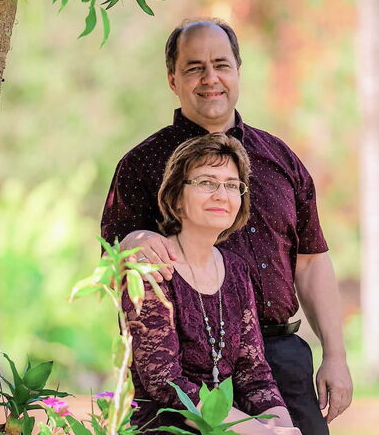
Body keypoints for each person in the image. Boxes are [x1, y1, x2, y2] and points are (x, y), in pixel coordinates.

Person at [101, 18, 352, 435]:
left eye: (221, 64)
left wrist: (336, 356)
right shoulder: (142, 164)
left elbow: (311, 261)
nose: (210, 78)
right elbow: (113, 262)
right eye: (194, 67)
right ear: (172, 79)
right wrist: (133, 240)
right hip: (185, 371)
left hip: (277, 360)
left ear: (238, 71)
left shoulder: (280, 158)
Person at [122, 132, 301, 434]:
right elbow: (166, 384)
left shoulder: (236, 270)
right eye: (207, 182)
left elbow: (254, 374)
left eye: (232, 185)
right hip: (168, 428)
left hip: (234, 428)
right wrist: (260, 433)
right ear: (176, 197)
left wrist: (282, 428)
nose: (221, 194)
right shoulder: (151, 268)